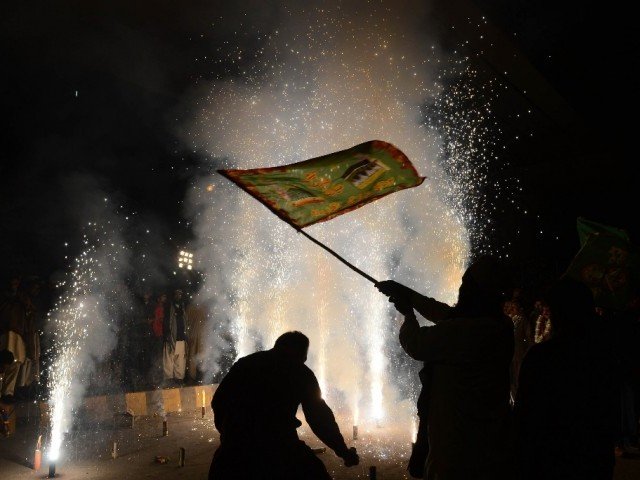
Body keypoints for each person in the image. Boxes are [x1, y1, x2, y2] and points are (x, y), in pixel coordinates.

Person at [376, 255, 515, 480]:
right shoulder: (500, 325)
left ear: (473, 292)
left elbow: (416, 343)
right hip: (489, 438)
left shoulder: (467, 331)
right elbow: (446, 314)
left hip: (457, 443)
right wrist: (407, 293)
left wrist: (408, 314)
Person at [209, 331, 359, 480]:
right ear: (301, 353)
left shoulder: (245, 363)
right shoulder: (300, 372)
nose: (305, 359)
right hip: (280, 448)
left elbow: (219, 401)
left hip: (233, 453)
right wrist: (343, 451)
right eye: (305, 355)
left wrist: (229, 433)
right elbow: (319, 418)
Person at [514, 277, 618, 480]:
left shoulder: (541, 359)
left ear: (557, 313)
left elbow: (525, 421)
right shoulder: (602, 356)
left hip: (550, 461)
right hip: (593, 461)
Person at [162, 289, 188, 385]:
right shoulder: (169, 306)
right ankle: (169, 378)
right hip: (171, 336)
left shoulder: (182, 307)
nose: (178, 296)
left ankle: (179, 377)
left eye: (180, 294)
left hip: (181, 336)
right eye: (177, 294)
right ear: (174, 295)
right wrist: (167, 334)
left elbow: (185, 321)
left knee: (180, 358)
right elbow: (166, 321)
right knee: (169, 358)